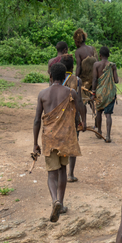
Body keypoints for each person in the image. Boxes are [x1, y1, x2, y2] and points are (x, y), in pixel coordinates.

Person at [32, 63, 85, 222]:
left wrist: (35, 143)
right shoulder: (71, 92)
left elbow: (36, 120)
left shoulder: (43, 94)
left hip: (49, 138)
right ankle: (60, 204)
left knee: (51, 173)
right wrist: (82, 123)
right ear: (64, 78)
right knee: (63, 170)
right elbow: (78, 110)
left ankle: (54, 200)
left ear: (50, 77)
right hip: (65, 138)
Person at [92, 46, 119, 143]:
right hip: (110, 94)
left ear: (100, 55)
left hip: (99, 93)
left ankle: (99, 132)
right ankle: (108, 136)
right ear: (108, 55)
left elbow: (94, 79)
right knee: (108, 115)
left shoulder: (96, 65)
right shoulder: (112, 65)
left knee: (99, 112)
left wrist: (93, 92)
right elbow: (116, 81)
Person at [73, 28, 97, 125]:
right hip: (94, 79)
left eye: (75, 41)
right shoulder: (92, 49)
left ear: (77, 41)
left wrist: (75, 78)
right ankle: (96, 116)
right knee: (93, 98)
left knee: (81, 100)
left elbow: (78, 67)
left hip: (84, 81)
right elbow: (97, 63)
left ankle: (84, 121)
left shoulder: (78, 52)